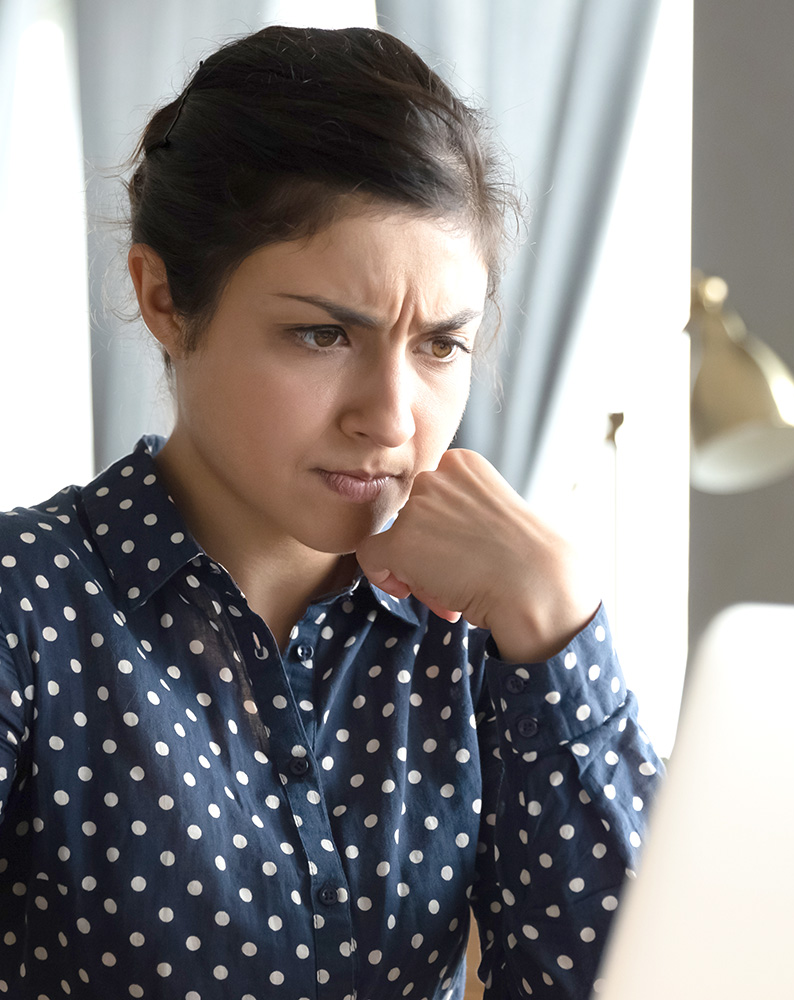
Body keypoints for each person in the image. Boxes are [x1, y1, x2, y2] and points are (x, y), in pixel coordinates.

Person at [0, 24, 662, 1000]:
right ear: (165, 298)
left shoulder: (478, 632)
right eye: (320, 334)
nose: (390, 418)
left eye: (440, 346)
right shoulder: (28, 612)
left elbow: (631, 979)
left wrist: (557, 622)